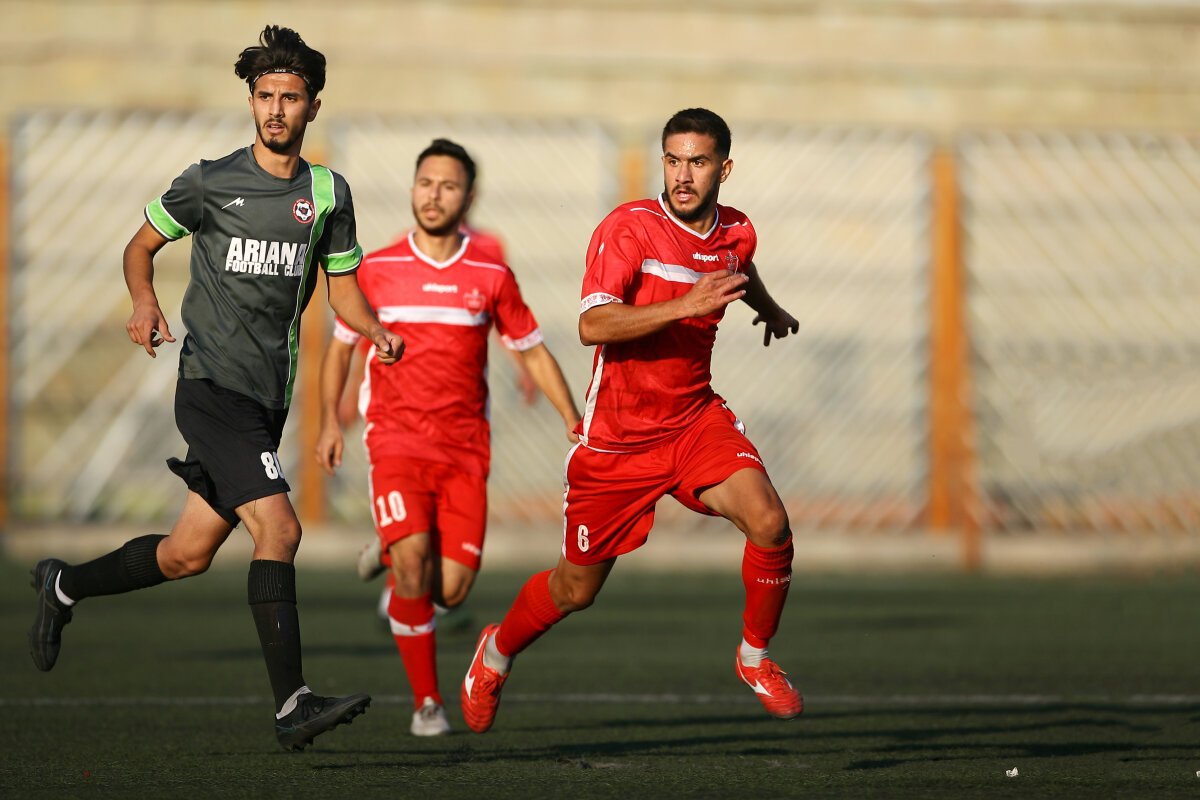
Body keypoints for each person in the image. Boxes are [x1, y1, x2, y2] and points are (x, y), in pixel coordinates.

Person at [26, 25, 402, 752]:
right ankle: (292, 704)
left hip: (266, 401)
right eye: (264, 96)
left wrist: (375, 330)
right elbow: (140, 246)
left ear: (312, 106)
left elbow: (344, 292)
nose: (275, 109)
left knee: (186, 553)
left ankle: (62, 585)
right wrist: (144, 302)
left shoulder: (328, 193)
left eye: (290, 97)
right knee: (280, 530)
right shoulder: (209, 181)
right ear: (251, 101)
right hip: (209, 387)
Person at [460, 108, 802, 733]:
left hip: (694, 420)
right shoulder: (629, 229)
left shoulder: (738, 231)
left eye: (698, 162)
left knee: (770, 522)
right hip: (618, 442)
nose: (682, 175)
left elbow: (737, 267)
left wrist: (769, 308)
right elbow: (593, 324)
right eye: (672, 160)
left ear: (724, 169)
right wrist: (684, 305)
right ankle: (496, 653)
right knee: (574, 591)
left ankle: (754, 658)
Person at [315, 138, 581, 736]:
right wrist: (331, 419)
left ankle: (388, 548)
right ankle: (427, 702)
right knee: (414, 571)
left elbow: (531, 350)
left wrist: (571, 415)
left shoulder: (491, 274)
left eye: (448, 186)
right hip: (395, 440)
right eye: (425, 183)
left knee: (452, 591)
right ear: (413, 189)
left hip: (465, 449)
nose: (434, 196)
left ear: (468, 197)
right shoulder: (375, 269)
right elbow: (339, 349)